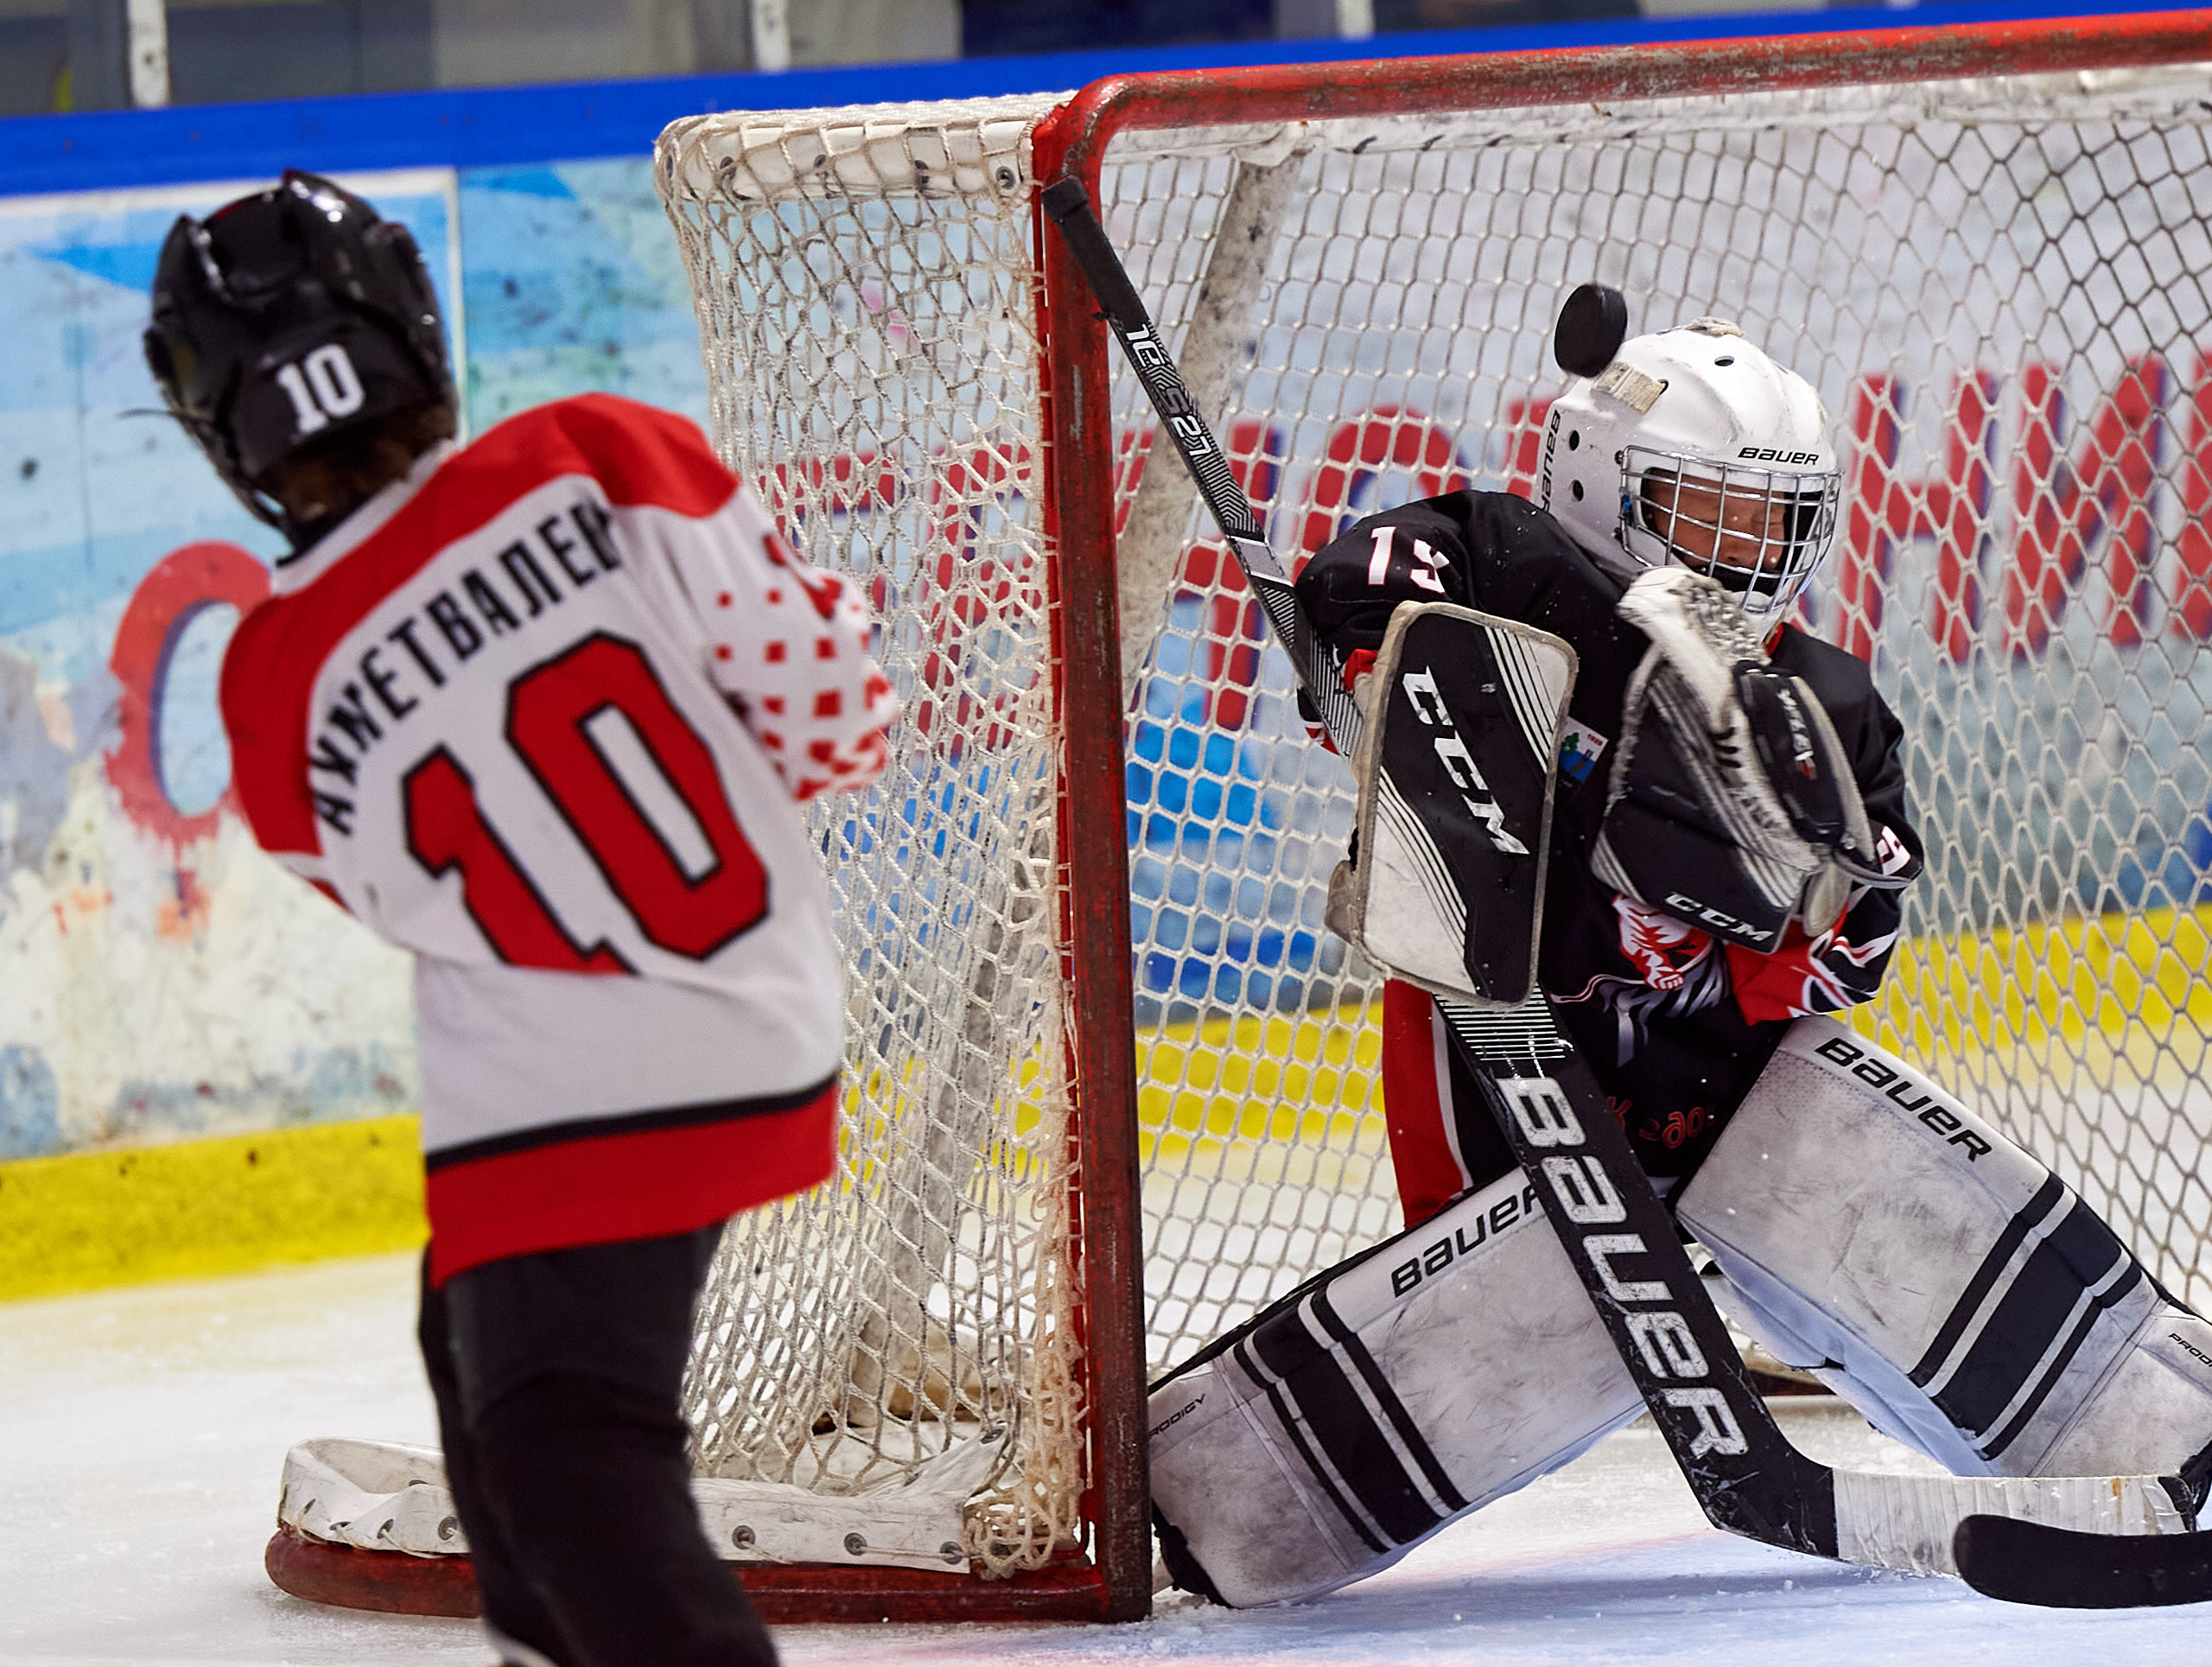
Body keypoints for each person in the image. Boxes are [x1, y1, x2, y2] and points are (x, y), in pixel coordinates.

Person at [1143, 312, 2212, 1608]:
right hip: (1506, 1086)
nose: (1752, 558)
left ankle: (2155, 1425)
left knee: (1849, 1151)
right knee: (1290, 1464)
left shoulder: (1825, 702)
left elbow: (1854, 957)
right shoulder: (1504, 558)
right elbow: (1352, 595)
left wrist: (1802, 891)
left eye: (1776, 524)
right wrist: (1390, 687)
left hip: (1729, 1093)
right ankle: (1230, 1480)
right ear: (1602, 477)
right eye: (1716, 513)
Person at [146, 171, 896, 1667]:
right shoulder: (600, 453)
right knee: (477, 1365)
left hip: (550, 1091)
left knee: (568, 1456)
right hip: (757, 1011)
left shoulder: (270, 668)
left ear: (227, 432)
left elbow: (371, 886)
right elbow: (835, 717)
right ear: (412, 337)